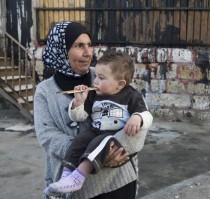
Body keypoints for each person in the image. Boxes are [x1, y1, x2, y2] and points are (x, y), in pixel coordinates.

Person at [34, 21, 153, 199]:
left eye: (89, 45)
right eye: (79, 46)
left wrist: (112, 150)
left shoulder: (108, 74)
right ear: (61, 49)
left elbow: (137, 120)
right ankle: (72, 177)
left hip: (117, 179)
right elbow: (47, 135)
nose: (88, 53)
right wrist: (93, 153)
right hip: (74, 189)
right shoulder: (45, 91)